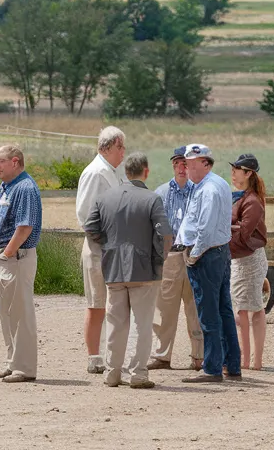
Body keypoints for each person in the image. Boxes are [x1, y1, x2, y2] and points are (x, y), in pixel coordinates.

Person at [83, 153, 170, 389]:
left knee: (115, 322)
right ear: (146, 171)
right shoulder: (152, 199)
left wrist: (108, 243)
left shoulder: (104, 198)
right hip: (143, 271)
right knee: (142, 324)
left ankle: (112, 372)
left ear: (126, 173)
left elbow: (90, 226)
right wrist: (158, 259)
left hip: (113, 268)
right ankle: (138, 374)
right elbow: (164, 235)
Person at [176, 144, 240, 383]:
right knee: (223, 310)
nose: (187, 168)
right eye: (186, 164)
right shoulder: (214, 184)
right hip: (218, 252)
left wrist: (194, 254)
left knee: (208, 311)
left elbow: (205, 227)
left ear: (205, 163)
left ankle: (213, 367)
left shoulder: (209, 190)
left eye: (191, 164)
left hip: (207, 254)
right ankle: (230, 363)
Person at [0, 144, 42, 383]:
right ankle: (13, 362)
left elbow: (25, 227)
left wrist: (7, 254)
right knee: (8, 314)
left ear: (15, 162)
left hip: (15, 258)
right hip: (5, 257)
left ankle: (25, 368)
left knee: (21, 313)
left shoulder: (25, 188)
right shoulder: (7, 186)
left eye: (0, 161)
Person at [75, 126, 127, 375]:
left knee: (115, 303)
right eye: (122, 147)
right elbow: (86, 215)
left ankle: (112, 353)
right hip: (100, 246)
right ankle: (94, 356)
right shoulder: (96, 173)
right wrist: (106, 241)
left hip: (115, 246)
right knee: (97, 303)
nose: (124, 153)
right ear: (112, 145)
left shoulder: (114, 172)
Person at [148, 146, 202, 372]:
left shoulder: (199, 191)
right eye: (178, 163)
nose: (181, 168)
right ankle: (162, 355)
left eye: (185, 163)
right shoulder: (161, 193)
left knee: (195, 307)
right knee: (164, 307)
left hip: (192, 253)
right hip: (170, 254)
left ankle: (199, 356)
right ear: (173, 165)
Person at [229, 154, 269, 371]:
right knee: (248, 307)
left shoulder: (251, 201)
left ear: (248, 173)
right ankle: (251, 359)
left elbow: (243, 234)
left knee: (246, 308)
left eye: (237, 169)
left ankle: (250, 360)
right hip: (242, 258)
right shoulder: (245, 197)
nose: (233, 173)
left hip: (248, 258)